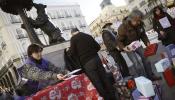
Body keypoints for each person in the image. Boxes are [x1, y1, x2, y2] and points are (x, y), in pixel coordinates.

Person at [69, 28, 119, 100]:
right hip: (96, 59)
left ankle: (105, 98)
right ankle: (113, 97)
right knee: (104, 78)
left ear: (72, 33)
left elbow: (72, 53)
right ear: (78, 31)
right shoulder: (88, 35)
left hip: (87, 63)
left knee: (97, 82)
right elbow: (98, 47)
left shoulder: (73, 39)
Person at [117, 10, 161, 81]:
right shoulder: (122, 27)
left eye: (140, 21)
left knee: (146, 58)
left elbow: (142, 34)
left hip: (137, 44)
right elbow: (119, 40)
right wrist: (124, 48)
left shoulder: (139, 23)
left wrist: (147, 42)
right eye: (137, 21)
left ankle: (151, 76)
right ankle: (144, 80)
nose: (139, 22)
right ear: (131, 19)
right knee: (136, 63)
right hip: (128, 47)